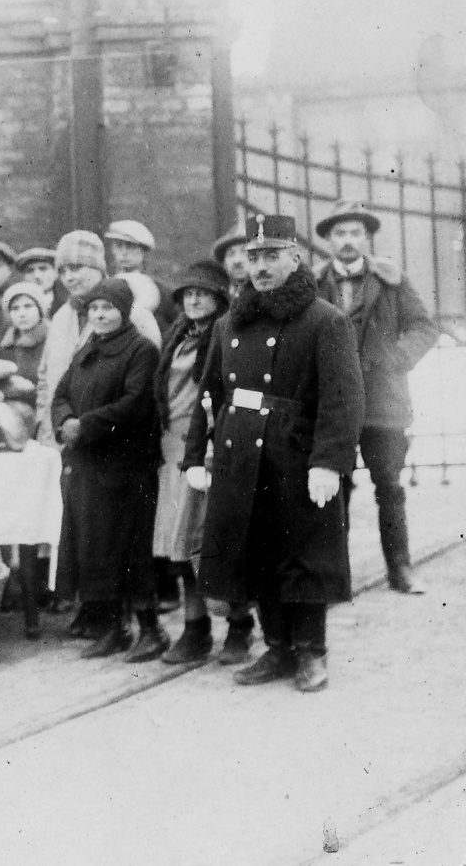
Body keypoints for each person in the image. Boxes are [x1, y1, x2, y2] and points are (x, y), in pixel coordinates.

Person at [181, 214, 364, 693]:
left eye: (271, 256)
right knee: (255, 550)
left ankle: (311, 651)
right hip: (240, 450)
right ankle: (277, 646)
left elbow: (342, 400)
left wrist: (329, 462)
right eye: (254, 256)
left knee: (303, 553)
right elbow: (209, 392)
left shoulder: (325, 319)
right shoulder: (229, 323)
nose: (259, 266)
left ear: (295, 258)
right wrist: (194, 455)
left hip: (297, 453)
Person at [313, 201, 441, 594]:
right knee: (334, 488)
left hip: (383, 402)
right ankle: (337, 574)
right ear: (329, 240)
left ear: (367, 238)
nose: (348, 241)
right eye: (340, 234)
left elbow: (423, 327)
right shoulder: (314, 284)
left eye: (355, 233)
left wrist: (394, 358)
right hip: (332, 406)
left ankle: (400, 569)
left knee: (389, 485)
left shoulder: (391, 280)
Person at [51, 278, 166, 661]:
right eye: (94, 309)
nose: (99, 315)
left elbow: (135, 405)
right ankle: (114, 627)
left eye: (108, 308)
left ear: (124, 311)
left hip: (126, 468)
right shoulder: (89, 348)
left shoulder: (141, 351)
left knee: (131, 549)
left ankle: (151, 631)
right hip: (88, 465)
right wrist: (65, 419)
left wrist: (84, 426)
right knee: (97, 549)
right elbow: (61, 393)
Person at [151, 260, 236, 665]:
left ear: (220, 298)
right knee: (180, 545)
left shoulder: (229, 332)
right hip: (174, 451)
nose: (194, 299)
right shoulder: (177, 335)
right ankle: (195, 627)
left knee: (217, 541)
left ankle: (239, 627)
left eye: (203, 292)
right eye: (188, 293)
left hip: (210, 447)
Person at [36, 231, 163, 447]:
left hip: (115, 442)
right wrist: (44, 423)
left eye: (76, 268)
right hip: (62, 440)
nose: (69, 277)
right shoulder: (60, 317)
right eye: (62, 271)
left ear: (98, 268)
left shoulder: (134, 314)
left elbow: (149, 385)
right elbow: (45, 377)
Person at [104, 220, 180, 331]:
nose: (124, 252)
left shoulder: (161, 290)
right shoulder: (104, 287)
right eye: (119, 246)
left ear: (143, 251)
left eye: (130, 246)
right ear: (112, 250)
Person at [0, 281, 50, 383]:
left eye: (28, 306)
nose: (22, 314)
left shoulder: (53, 339)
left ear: (40, 310)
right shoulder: (7, 346)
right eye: (15, 308)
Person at [17, 247, 69, 315]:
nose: (37, 276)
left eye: (43, 269)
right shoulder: (16, 308)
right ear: (23, 277)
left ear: (56, 273)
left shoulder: (67, 303)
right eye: (30, 270)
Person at [212, 224, 250, 298]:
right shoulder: (220, 298)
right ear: (224, 263)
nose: (237, 260)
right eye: (231, 254)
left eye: (244, 252)